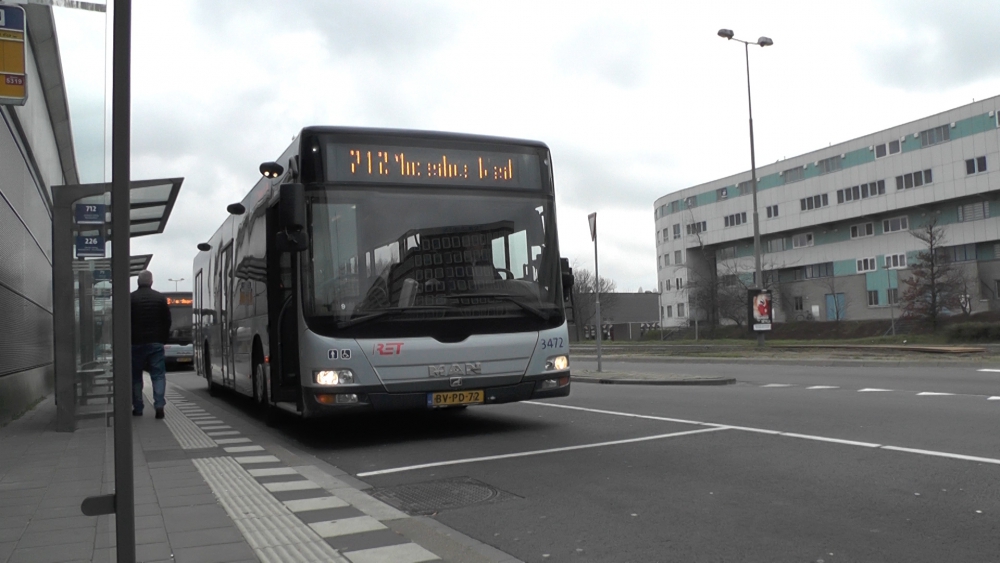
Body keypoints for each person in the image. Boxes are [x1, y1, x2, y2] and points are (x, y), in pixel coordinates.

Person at [131, 270, 172, 419]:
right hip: (155, 342)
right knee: (158, 374)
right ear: (151, 282)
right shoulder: (160, 298)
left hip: (135, 343)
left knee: (135, 376)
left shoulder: (131, 298)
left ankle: (138, 407)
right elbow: (167, 321)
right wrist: (163, 338)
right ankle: (159, 405)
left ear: (138, 281)